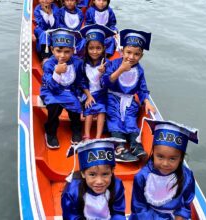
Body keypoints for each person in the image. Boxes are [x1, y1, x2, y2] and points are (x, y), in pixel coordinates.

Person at [101, 29, 156, 162]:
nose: (131, 57)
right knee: (115, 119)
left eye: (136, 54)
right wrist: (120, 70)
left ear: (141, 56)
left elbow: (142, 89)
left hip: (129, 101)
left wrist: (146, 101)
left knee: (131, 121)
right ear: (122, 51)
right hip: (112, 98)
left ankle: (135, 145)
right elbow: (105, 82)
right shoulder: (113, 64)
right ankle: (119, 148)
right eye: (128, 53)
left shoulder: (139, 70)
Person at [129, 118, 198, 220]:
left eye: (172, 158)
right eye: (160, 156)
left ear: (181, 158)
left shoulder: (187, 177)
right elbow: (138, 205)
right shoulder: (142, 176)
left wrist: (180, 216)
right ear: (153, 152)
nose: (165, 164)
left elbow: (186, 203)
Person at [40, 28, 85, 148]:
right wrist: (57, 73)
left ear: (73, 51)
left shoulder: (78, 63)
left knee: (76, 105)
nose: (62, 55)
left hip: (70, 90)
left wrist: (82, 94)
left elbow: (80, 80)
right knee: (54, 106)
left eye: (67, 51)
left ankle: (76, 130)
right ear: (52, 50)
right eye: (58, 51)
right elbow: (51, 85)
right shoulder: (49, 64)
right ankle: (50, 132)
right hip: (51, 90)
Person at [62, 138, 126, 219]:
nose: (99, 181)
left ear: (112, 171)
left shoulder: (117, 185)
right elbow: (71, 217)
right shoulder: (72, 191)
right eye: (92, 174)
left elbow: (118, 213)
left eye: (105, 174)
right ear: (83, 173)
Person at [80, 24, 116, 140]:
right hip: (87, 93)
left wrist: (103, 73)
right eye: (91, 48)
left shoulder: (107, 64)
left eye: (98, 48)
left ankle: (98, 137)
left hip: (102, 93)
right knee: (89, 109)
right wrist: (89, 96)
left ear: (103, 49)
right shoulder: (83, 63)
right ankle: (87, 136)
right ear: (86, 49)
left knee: (102, 110)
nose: (95, 52)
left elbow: (109, 84)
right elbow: (82, 81)